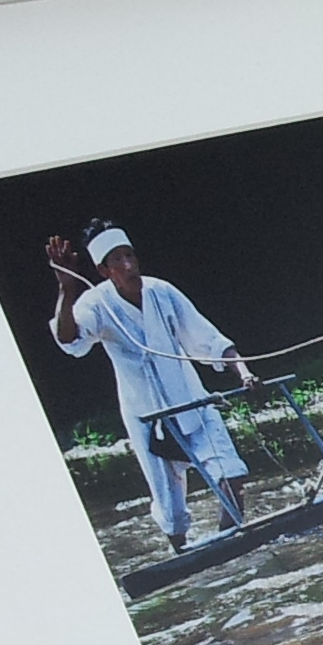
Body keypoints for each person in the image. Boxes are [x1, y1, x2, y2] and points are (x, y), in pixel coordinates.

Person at [48, 225, 252, 552]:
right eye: (118, 260)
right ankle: (182, 553)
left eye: (130, 255)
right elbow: (69, 339)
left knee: (233, 477)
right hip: (147, 418)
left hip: (191, 402)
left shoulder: (162, 292)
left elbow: (209, 338)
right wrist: (66, 290)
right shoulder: (96, 304)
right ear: (104, 270)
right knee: (171, 512)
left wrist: (244, 374)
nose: (129, 265)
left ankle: (230, 544)